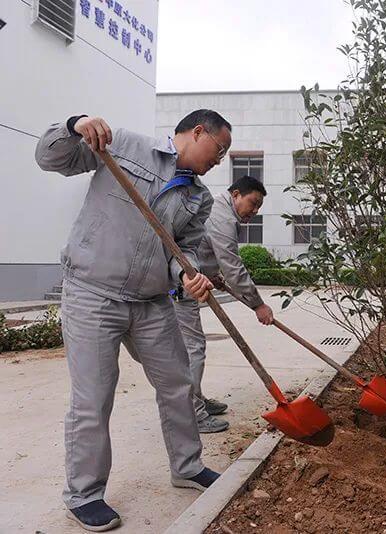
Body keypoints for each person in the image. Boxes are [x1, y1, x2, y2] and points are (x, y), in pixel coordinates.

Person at [35, 109, 232, 531]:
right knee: (94, 396)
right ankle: (84, 493)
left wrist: (188, 276)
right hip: (93, 293)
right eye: (220, 149)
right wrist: (72, 127)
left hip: (150, 302)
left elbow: (185, 251)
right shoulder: (122, 145)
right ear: (198, 132)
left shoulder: (200, 198)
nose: (221, 159)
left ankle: (187, 466)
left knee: (178, 382)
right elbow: (50, 159)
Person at [174, 175, 274, 433]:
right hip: (180, 286)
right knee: (193, 348)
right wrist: (258, 305)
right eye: (253, 203)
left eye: (259, 207)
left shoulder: (220, 210)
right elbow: (233, 266)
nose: (254, 211)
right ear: (236, 195)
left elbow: (203, 248)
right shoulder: (224, 217)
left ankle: (195, 399)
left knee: (191, 347)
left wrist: (211, 273)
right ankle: (191, 413)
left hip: (193, 279)